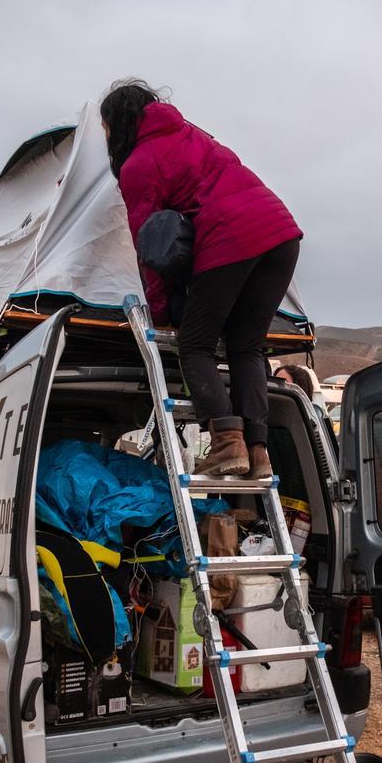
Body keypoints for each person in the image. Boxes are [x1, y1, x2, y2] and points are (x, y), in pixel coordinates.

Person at [101, 80, 302, 479]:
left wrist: (160, 313)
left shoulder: (139, 164)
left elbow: (150, 248)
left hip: (232, 236)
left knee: (195, 344)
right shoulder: (195, 136)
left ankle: (228, 443)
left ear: (119, 122)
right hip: (281, 233)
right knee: (247, 346)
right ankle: (258, 452)